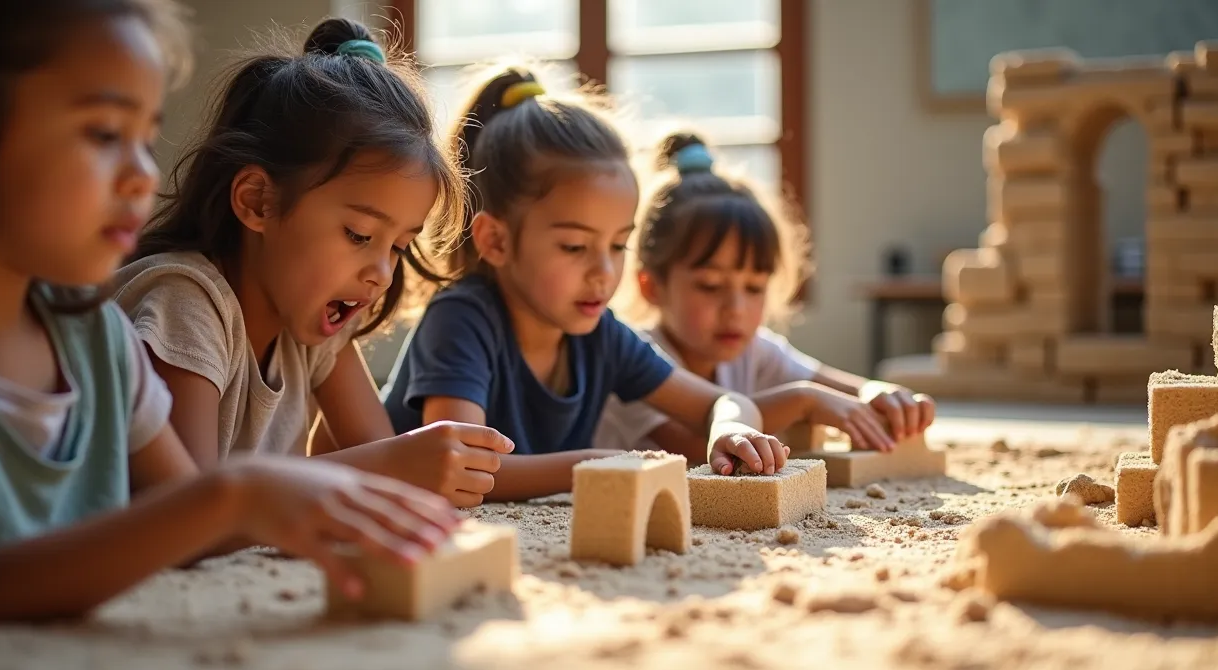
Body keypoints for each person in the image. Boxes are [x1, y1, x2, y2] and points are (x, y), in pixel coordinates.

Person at [0, 1, 459, 627]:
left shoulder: (95, 336)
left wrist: (247, 497)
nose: (141, 175)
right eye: (103, 134)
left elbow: (185, 516)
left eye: (147, 140)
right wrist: (244, 492)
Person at [112, 18, 513, 508]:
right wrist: (391, 463)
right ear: (258, 201)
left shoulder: (311, 325)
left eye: (397, 247)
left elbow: (375, 452)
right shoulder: (187, 302)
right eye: (359, 235)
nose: (381, 273)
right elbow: (185, 510)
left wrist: (409, 462)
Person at [381, 66, 788, 503]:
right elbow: (462, 467)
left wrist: (730, 427)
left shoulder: (600, 332)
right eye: (575, 247)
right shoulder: (461, 318)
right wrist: (598, 463)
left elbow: (721, 401)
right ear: (496, 241)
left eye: (617, 245)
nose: (604, 273)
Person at [596, 132, 936, 459]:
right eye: (710, 286)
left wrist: (878, 393)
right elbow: (699, 449)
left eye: (754, 288)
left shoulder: (754, 349)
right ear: (652, 286)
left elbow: (842, 385)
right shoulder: (635, 359)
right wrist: (804, 401)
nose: (736, 310)